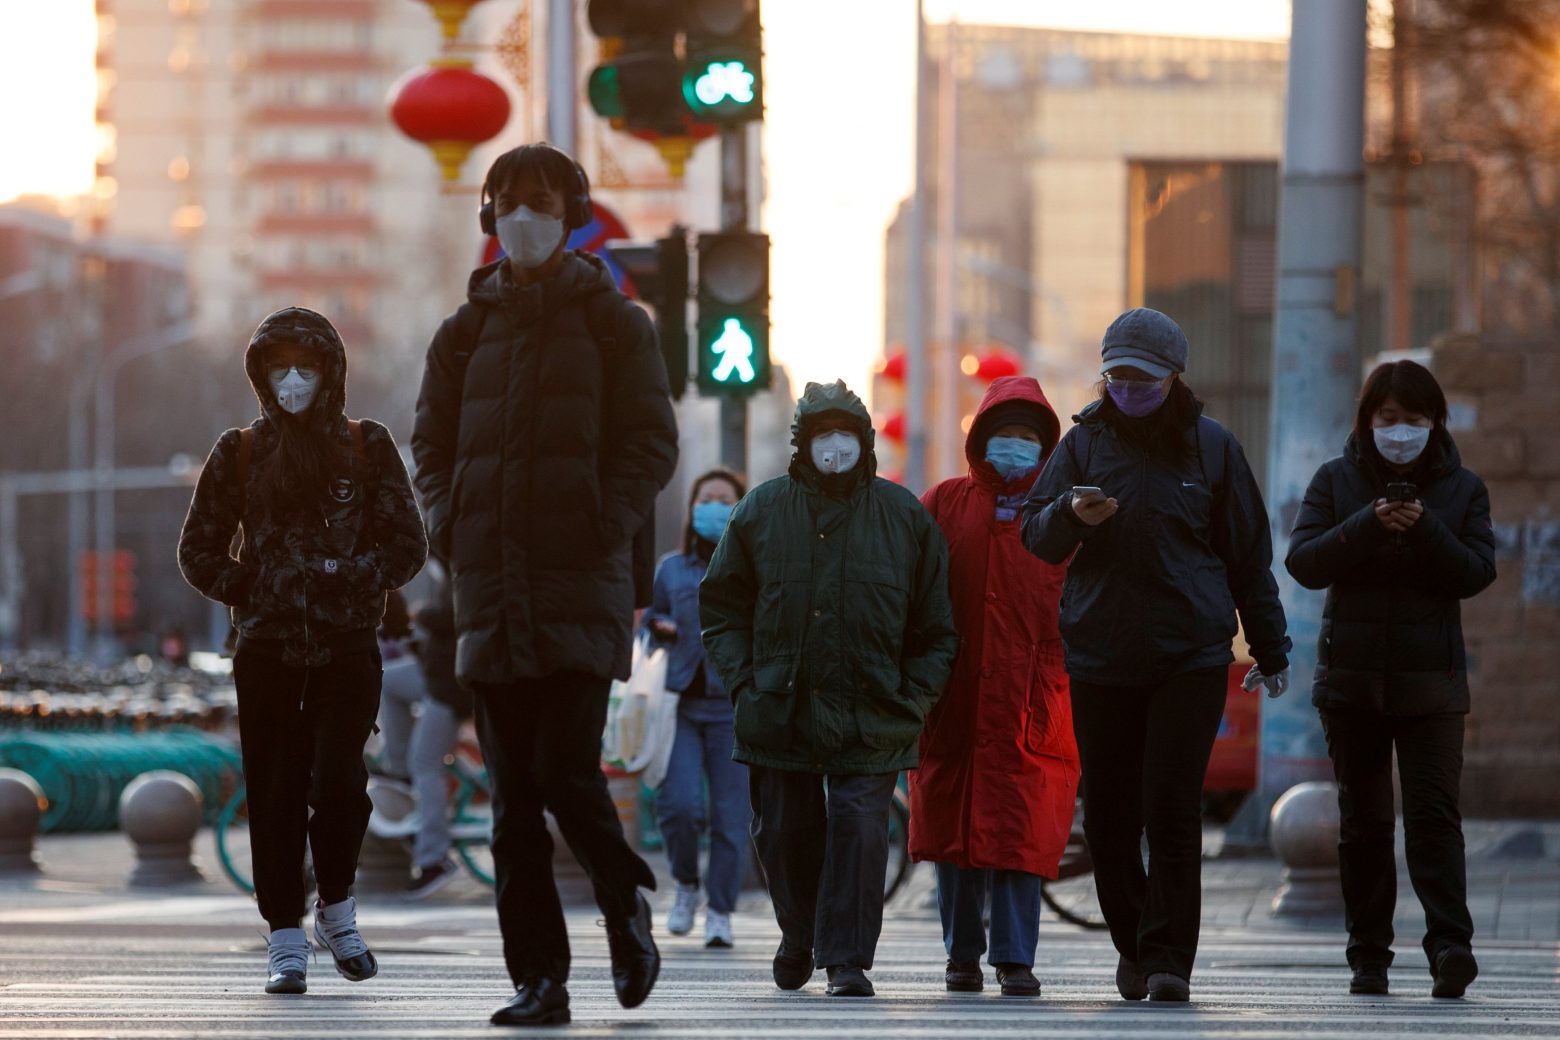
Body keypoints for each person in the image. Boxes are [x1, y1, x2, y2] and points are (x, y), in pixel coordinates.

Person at [411, 141, 678, 1028]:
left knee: (564, 768)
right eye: (510, 202)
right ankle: (540, 981)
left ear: (572, 216)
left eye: (543, 201)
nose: (526, 216)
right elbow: (432, 452)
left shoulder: (615, 322)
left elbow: (651, 443)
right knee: (513, 802)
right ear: (489, 217)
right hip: (486, 592)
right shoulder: (461, 334)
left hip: (577, 584)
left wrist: (601, 521)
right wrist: (451, 529)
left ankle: (622, 901)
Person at [1020, 307, 1290, 1003]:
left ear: (1174, 378)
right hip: (1101, 656)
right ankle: (1135, 939)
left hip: (1189, 657)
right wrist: (1067, 517)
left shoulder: (1213, 449)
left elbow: (1247, 556)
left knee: (1171, 809)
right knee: (1109, 818)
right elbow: (1037, 537)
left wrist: (1269, 644)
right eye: (1117, 379)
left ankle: (1169, 958)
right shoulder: (1081, 446)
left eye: (1142, 379)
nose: (1128, 391)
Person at [177, 306, 428, 994]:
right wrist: (250, 587)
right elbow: (197, 549)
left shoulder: (366, 446)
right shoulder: (240, 452)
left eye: (306, 367)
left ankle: (337, 907)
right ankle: (285, 935)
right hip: (266, 651)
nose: (293, 380)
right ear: (261, 375)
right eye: (279, 367)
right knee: (277, 789)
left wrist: (352, 578)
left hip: (348, 645)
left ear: (330, 372)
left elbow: (407, 545)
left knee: (342, 783)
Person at [700, 379, 960, 999]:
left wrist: (913, 698)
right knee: (785, 832)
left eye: (846, 435)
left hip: (874, 709)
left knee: (858, 829)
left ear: (865, 443)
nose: (835, 447)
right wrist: (744, 684)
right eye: (823, 436)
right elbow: (723, 608)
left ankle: (847, 959)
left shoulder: (903, 517)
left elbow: (937, 628)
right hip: (779, 706)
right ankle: (799, 932)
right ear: (802, 444)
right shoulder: (762, 510)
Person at [1285, 359, 1494, 999]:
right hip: (1351, 687)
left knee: (1434, 819)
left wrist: (1425, 529)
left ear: (1436, 424)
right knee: (1365, 823)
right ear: (1369, 421)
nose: (1401, 432)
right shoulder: (1335, 480)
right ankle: (1368, 956)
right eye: (1390, 420)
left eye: (1415, 420)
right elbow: (1304, 561)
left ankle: (1450, 948)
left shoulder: (1462, 490)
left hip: (1432, 687)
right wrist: (1366, 525)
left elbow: (1475, 572)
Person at [911, 375, 1080, 998]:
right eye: (1003, 435)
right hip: (953, 694)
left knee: (1020, 835)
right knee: (954, 837)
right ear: (981, 440)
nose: (1014, 446)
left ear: (1046, 448)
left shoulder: (1062, 510)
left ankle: (1015, 958)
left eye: (1027, 437)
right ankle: (961, 955)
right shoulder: (944, 503)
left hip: (1033, 698)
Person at [643, 468, 751, 948]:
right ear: (692, 508)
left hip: (733, 708)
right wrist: (659, 625)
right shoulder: (670, 568)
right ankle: (685, 886)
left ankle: (721, 910)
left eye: (723, 499)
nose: (712, 505)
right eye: (705, 498)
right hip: (681, 703)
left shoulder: (755, 565)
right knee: (679, 805)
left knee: (731, 816)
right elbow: (651, 620)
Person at [374, 566, 472, 898]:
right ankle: (399, 771)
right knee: (386, 680)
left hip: (452, 682)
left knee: (427, 764)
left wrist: (422, 615)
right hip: (436, 669)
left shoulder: (463, 554)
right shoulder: (448, 560)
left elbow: (458, 614)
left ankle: (434, 859)